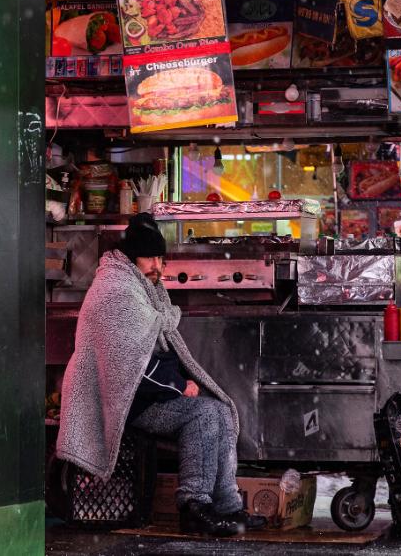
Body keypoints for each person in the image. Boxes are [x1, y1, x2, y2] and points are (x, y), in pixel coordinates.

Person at [56, 213, 264, 536]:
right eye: (149, 258)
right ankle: (194, 506)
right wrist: (179, 385)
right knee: (205, 414)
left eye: (160, 258)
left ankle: (228, 507)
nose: (157, 266)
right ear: (131, 257)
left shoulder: (135, 282)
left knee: (221, 411)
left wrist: (179, 383)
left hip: (141, 393)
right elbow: (129, 368)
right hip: (122, 404)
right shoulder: (116, 292)